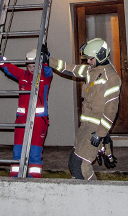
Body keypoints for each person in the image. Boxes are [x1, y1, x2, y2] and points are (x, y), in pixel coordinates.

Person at [48, 38, 121, 180]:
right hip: (85, 128)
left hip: (95, 129)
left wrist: (100, 133)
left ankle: (93, 197)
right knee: (74, 163)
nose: (88, 61)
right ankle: (82, 197)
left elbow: (111, 110)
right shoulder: (91, 71)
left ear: (100, 56)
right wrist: (48, 60)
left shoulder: (111, 78)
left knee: (80, 165)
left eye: (90, 58)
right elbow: (70, 69)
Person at [0, 48, 53, 178]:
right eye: (29, 66)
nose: (32, 68)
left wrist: (45, 57)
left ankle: (33, 181)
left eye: (35, 65)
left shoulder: (45, 76)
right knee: (17, 152)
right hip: (22, 120)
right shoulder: (23, 76)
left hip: (39, 121)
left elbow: (47, 68)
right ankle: (15, 180)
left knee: (35, 154)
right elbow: (8, 67)